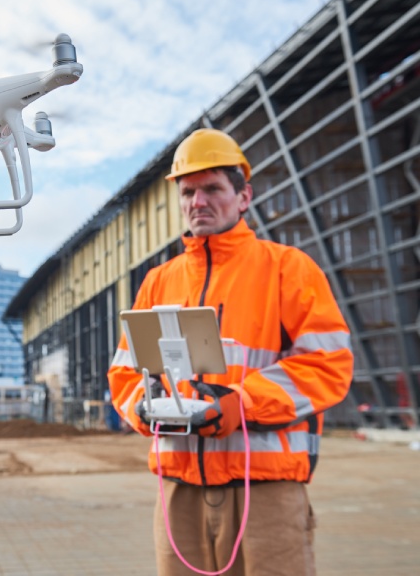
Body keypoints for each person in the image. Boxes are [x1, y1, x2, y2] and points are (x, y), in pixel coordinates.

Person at [107, 128, 354, 576]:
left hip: (266, 488)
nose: (198, 202)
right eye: (188, 192)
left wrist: (243, 404)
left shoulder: (288, 268)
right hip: (178, 487)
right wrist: (141, 408)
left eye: (213, 189)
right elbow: (125, 373)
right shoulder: (157, 281)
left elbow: (328, 364)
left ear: (243, 197)